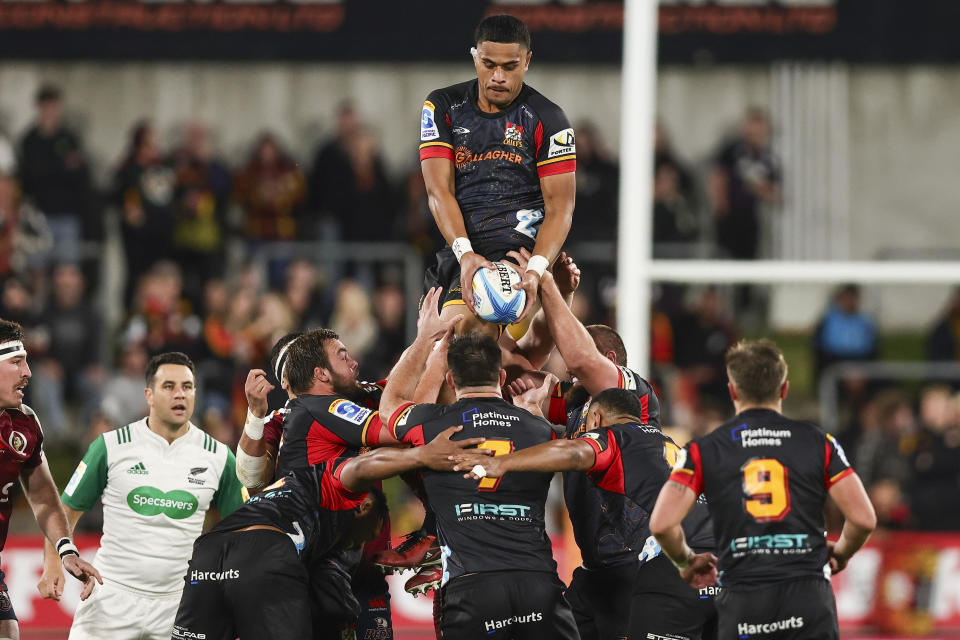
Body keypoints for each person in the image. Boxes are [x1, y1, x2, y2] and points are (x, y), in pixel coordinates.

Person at [650, 339, 877, 640]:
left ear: (732, 391)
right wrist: (842, 552)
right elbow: (863, 519)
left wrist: (687, 562)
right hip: (808, 596)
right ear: (784, 388)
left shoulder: (705, 450)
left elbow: (662, 524)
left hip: (744, 598)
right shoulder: (818, 442)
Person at [173, 425, 484, 640]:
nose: (356, 545)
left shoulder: (288, 486)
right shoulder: (338, 480)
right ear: (363, 507)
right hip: (264, 549)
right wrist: (423, 455)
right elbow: (365, 466)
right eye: (362, 536)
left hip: (209, 551)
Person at [454, 387, 716, 640]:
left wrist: (499, 463)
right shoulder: (667, 444)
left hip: (674, 562)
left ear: (596, 417)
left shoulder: (616, 435)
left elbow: (576, 452)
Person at [379, 322, 579, 640]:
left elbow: (389, 407)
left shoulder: (431, 424)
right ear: (501, 378)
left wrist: (424, 343)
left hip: (473, 589)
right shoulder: (539, 429)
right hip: (537, 585)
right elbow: (567, 450)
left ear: (450, 378)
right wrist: (533, 410)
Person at [39, 351, 245, 640]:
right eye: (169, 386)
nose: (180, 395)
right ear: (148, 394)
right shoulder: (111, 446)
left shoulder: (219, 456)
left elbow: (242, 529)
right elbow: (64, 511)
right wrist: (52, 565)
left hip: (180, 603)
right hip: (111, 598)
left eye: (187, 387)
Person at [420, 14, 577, 332]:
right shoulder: (443, 107)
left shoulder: (550, 120)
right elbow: (439, 192)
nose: (498, 76)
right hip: (461, 254)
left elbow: (560, 208)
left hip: (518, 265)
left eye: (510, 66)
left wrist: (535, 269)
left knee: (491, 354)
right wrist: (465, 255)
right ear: (475, 57)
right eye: (489, 64)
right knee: (446, 349)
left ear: (527, 61)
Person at [0, 319, 101, 639]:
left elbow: (43, 497)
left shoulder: (24, 425)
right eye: (17, 362)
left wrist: (66, 550)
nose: (28, 372)